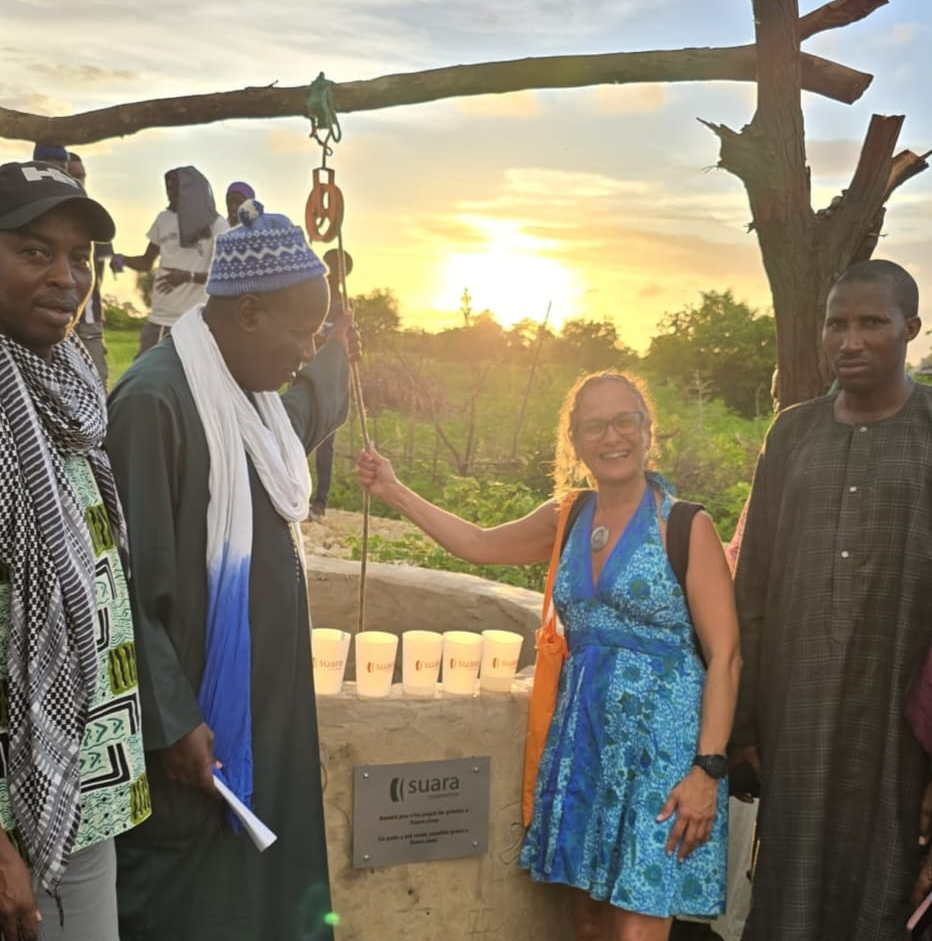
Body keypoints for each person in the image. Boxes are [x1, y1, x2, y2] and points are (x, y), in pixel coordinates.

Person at [358, 371, 741, 941]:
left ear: (647, 429)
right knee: (587, 923)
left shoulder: (684, 525)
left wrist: (707, 769)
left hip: (662, 757)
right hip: (583, 746)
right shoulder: (568, 516)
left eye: (625, 421)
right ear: (575, 440)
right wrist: (393, 490)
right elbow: (479, 544)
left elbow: (726, 655)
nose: (612, 437)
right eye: (595, 426)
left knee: (638, 929)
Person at [107, 199, 356, 941]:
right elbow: (124, 591)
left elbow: (307, 410)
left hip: (265, 713)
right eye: (303, 332)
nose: (307, 350)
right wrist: (174, 721)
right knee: (188, 906)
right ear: (248, 313)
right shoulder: (156, 402)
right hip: (195, 731)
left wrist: (338, 351)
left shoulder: (251, 399)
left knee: (261, 901)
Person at [731, 259, 931, 940]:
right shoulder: (793, 433)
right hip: (795, 720)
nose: (850, 340)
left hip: (903, 732)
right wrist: (744, 724)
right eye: (835, 323)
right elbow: (753, 583)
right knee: (787, 885)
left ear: (911, 328)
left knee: (885, 886)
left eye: (871, 322)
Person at [0, 160, 149, 939]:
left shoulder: (67, 389)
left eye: (80, 257)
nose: (67, 277)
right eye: (34, 251)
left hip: (81, 786)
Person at [110, 166, 227, 355]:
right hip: (160, 317)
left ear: (191, 191)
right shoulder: (163, 219)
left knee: (191, 370)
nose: (170, 194)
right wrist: (123, 260)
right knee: (146, 368)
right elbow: (146, 262)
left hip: (195, 318)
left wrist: (187, 276)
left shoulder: (216, 225)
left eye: (175, 189)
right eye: (168, 189)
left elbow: (221, 275)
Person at [310, 247, 353, 521]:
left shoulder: (344, 306)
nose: (330, 273)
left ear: (344, 273)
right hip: (304, 371)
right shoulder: (312, 299)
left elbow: (345, 341)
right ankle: (294, 497)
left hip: (330, 378)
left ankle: (320, 503)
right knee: (295, 434)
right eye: (327, 266)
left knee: (325, 443)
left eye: (336, 269)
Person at [66, 152, 113, 386]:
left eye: (81, 176)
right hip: (54, 316)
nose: (79, 181)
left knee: (96, 381)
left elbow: (101, 270)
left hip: (88, 319)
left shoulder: (92, 220)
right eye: (72, 175)